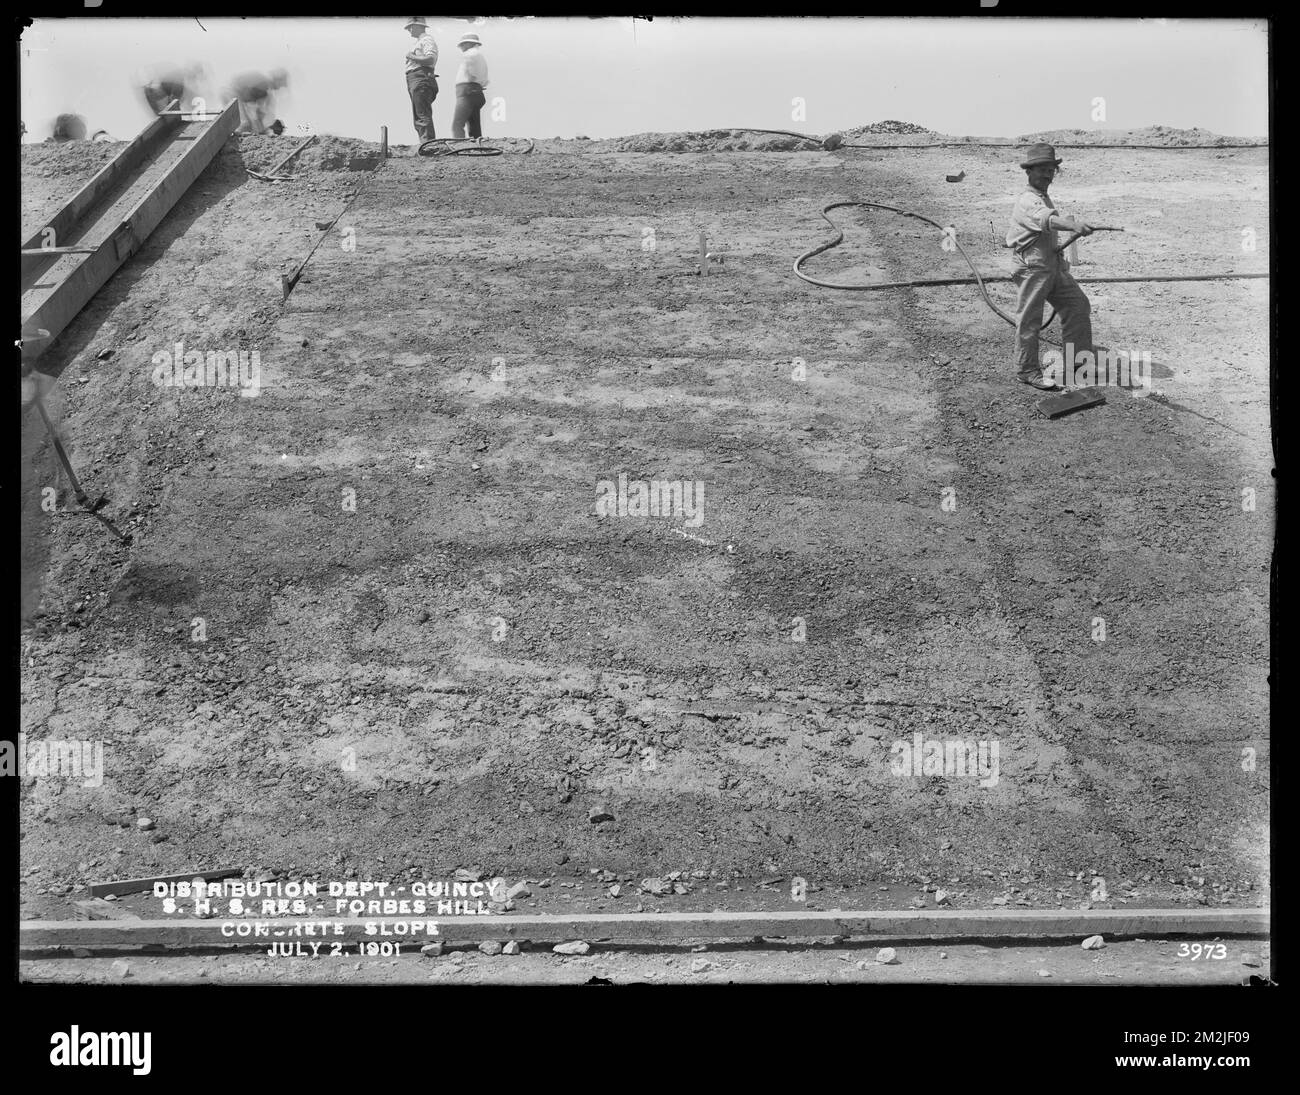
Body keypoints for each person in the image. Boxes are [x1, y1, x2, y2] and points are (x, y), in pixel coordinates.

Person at [1005, 143, 1098, 391]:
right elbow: (1046, 219)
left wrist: (1061, 261)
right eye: (1042, 170)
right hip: (1031, 267)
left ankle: (1079, 365)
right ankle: (1026, 370)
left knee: (1077, 305)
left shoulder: (1043, 196)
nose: (1047, 175)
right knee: (1030, 319)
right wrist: (1073, 226)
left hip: (1051, 265)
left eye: (1051, 170)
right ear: (1029, 172)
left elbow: (1046, 225)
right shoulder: (1028, 200)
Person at [404, 17, 439, 141]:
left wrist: (412, 56)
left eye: (410, 27)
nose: (409, 30)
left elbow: (430, 59)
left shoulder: (427, 40)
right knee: (420, 114)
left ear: (418, 26)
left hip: (421, 77)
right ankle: (425, 143)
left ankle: (428, 143)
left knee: (422, 114)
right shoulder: (420, 41)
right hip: (417, 78)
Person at [452, 32, 489, 140]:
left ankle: (459, 149)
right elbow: (484, 80)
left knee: (457, 125)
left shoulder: (470, 54)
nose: (461, 47)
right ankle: (478, 149)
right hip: (477, 92)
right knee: (474, 126)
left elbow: (471, 72)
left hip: (467, 91)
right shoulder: (481, 57)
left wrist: (470, 83)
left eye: (463, 44)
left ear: (469, 44)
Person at [229, 68, 289, 135]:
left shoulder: (266, 90)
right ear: (277, 80)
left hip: (236, 96)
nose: (279, 88)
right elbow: (253, 109)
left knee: (249, 124)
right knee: (246, 124)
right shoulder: (264, 85)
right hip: (233, 96)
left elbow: (258, 112)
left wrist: (263, 128)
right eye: (280, 85)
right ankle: (235, 137)